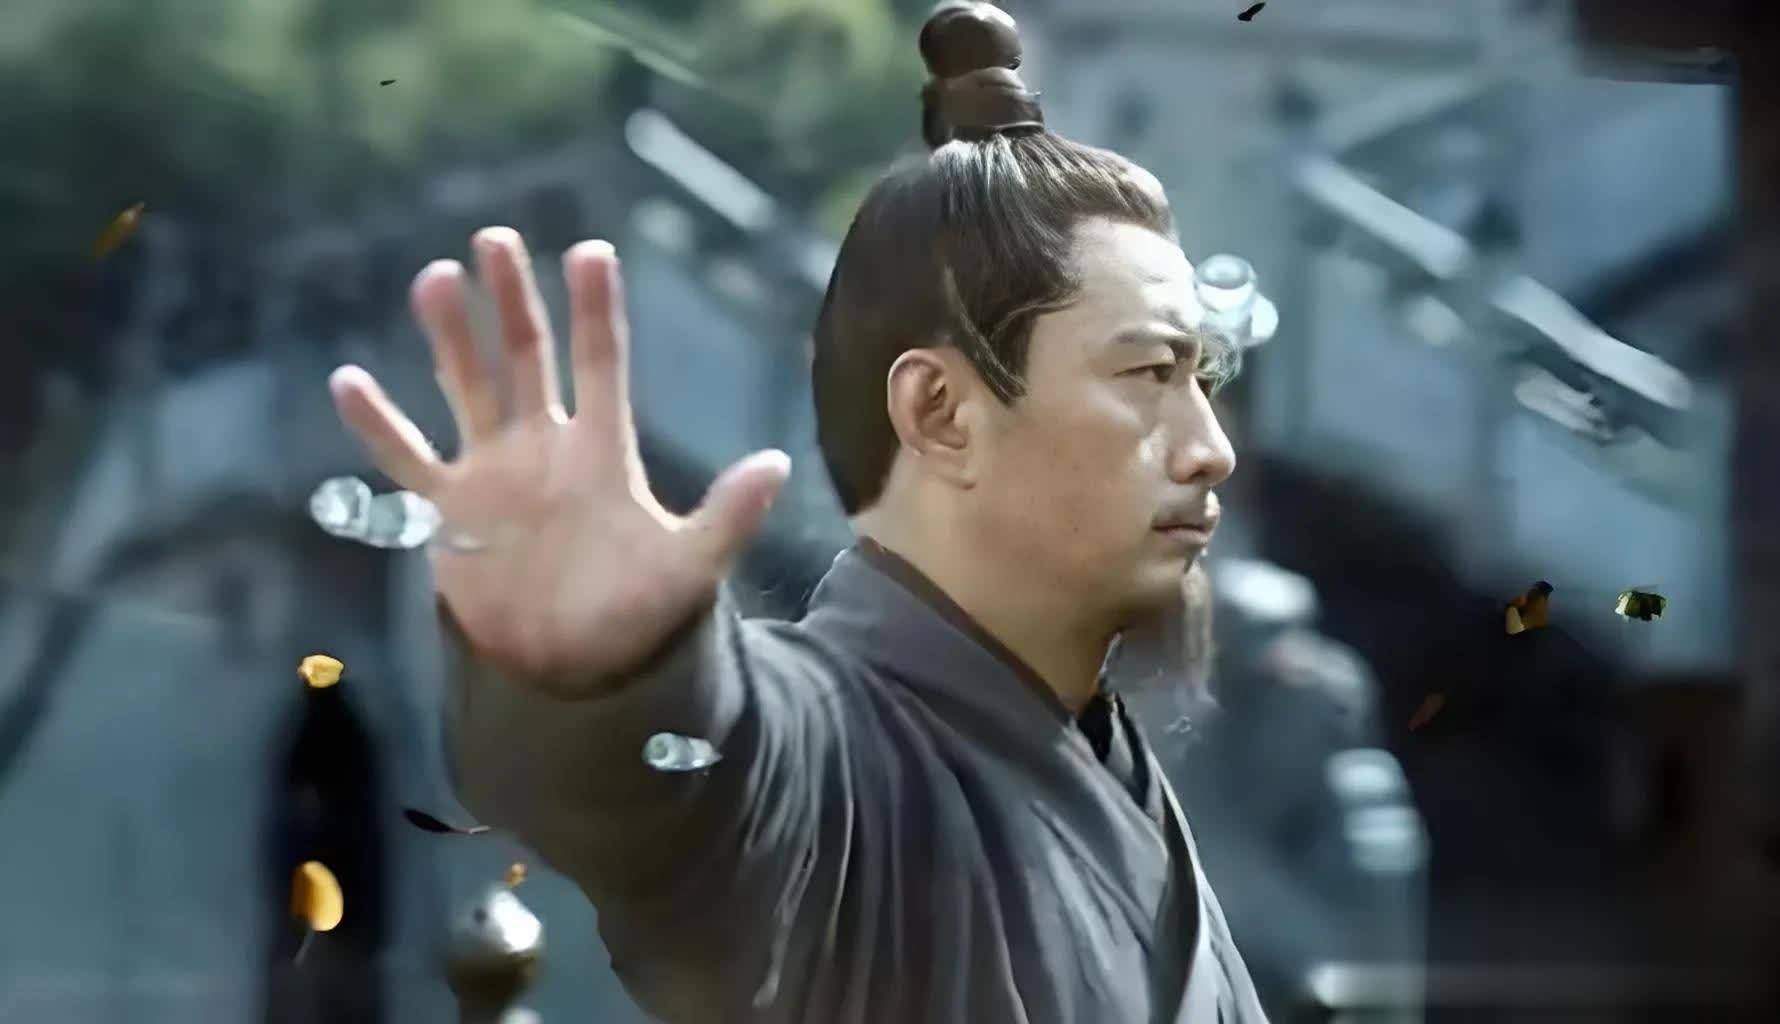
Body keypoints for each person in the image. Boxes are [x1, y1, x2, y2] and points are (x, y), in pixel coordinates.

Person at [326, 3, 1266, 1020]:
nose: (1209, 447)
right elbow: (715, 777)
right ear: (941, 412)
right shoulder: (844, 767)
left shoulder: (1094, 754)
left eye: (1202, 377)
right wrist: (621, 675)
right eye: (1149, 373)